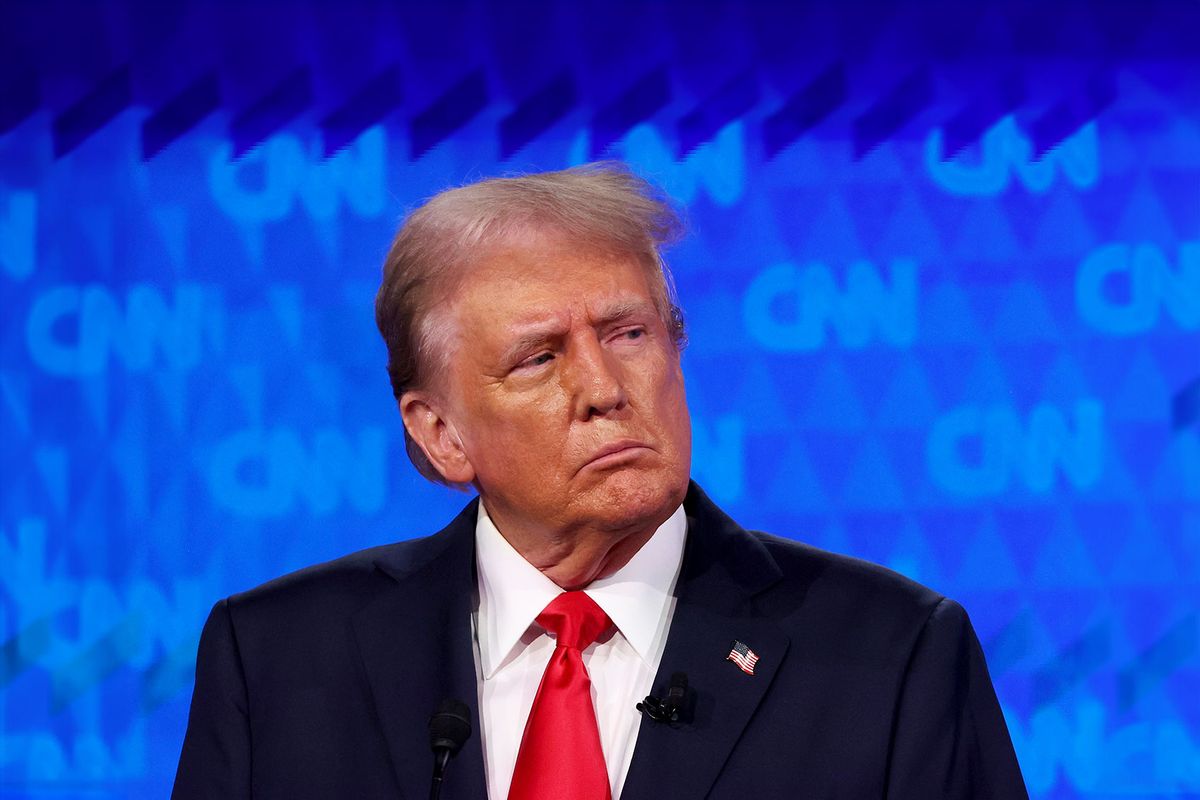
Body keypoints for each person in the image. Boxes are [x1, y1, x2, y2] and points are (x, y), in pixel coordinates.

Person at [173, 163, 1029, 799]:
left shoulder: (891, 655)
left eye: (628, 334)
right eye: (540, 358)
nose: (604, 388)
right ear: (440, 436)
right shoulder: (278, 661)